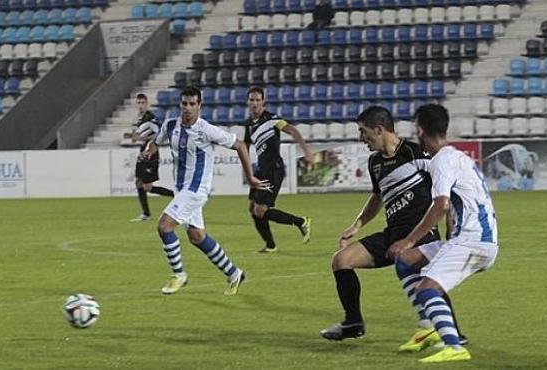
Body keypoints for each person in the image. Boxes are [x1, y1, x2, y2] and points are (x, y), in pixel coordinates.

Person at [320, 106, 467, 348]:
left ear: (379, 130)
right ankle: (353, 323)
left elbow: (446, 192)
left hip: (420, 234)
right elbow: (377, 197)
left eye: (363, 131)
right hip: (393, 234)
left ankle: (455, 334)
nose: (361, 138)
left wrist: (451, 232)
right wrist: (357, 224)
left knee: (428, 280)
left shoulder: (414, 152)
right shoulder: (375, 162)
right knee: (341, 260)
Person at [387, 104, 499, 363]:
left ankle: (454, 346)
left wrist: (410, 238)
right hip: (472, 238)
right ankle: (428, 329)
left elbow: (441, 204)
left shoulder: (442, 161)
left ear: (421, 130)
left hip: (475, 242)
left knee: (426, 289)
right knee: (405, 260)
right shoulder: (456, 157)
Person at [143, 86, 270, 296]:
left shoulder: (206, 130)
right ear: (180, 104)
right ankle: (234, 273)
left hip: (196, 190)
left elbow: (240, 145)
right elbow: (155, 142)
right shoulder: (170, 125)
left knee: (165, 226)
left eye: (192, 104)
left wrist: (250, 177)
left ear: (199, 106)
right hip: (181, 189)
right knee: (197, 236)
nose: (187, 108)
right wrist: (148, 152)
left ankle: (179, 275)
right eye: (184, 103)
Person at [245, 86, 314, 253]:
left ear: (263, 102)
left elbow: (293, 131)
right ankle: (270, 245)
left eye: (258, 100)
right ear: (247, 102)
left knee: (260, 210)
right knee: (253, 208)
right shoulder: (248, 124)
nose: (254, 103)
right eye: (252, 100)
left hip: (273, 169)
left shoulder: (272, 119)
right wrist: (247, 170)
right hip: (261, 171)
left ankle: (301, 222)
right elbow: (245, 146)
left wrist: (306, 152)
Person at [124, 93, 174, 222]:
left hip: (150, 152)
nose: (140, 105)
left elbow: (158, 134)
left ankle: (176, 195)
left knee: (146, 186)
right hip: (143, 152)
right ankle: (145, 213)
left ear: (147, 103)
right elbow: (140, 136)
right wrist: (132, 136)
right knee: (139, 183)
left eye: (142, 102)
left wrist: (138, 137)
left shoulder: (151, 117)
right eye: (138, 103)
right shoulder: (140, 119)